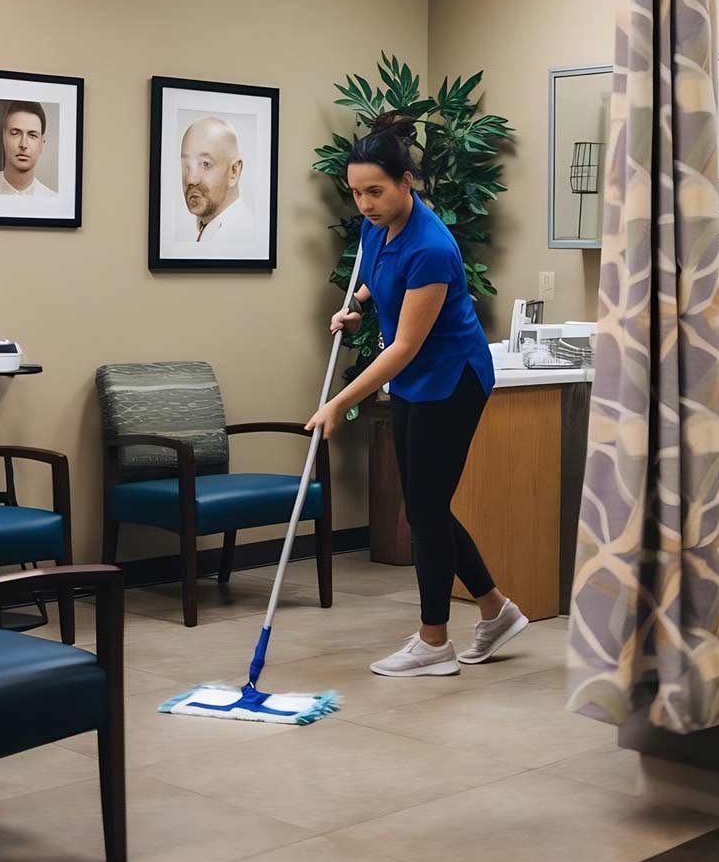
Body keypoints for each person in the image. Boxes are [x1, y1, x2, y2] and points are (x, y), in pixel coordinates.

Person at [306, 116, 529, 678]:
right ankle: (495, 610)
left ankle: (434, 643)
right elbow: (379, 276)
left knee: (426, 509)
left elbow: (404, 345)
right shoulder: (376, 228)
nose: (365, 203)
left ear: (408, 182)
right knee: (426, 505)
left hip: (452, 382)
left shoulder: (432, 247)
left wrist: (339, 402)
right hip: (414, 383)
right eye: (356, 193)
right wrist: (356, 304)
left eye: (375, 191)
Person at [180, 116, 256, 249]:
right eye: (186, 165)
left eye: (205, 164)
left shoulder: (240, 239)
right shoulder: (204, 229)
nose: (191, 179)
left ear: (234, 172)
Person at [0, 100, 56, 196]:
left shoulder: (51, 198)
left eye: (32, 135)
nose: (23, 144)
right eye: (15, 133)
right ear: (3, 138)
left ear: (42, 144)